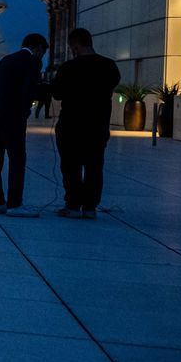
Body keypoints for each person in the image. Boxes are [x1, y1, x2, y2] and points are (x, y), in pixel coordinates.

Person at [49, 26, 122, 218]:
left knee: (71, 167)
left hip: (71, 125)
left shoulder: (68, 68)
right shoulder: (109, 66)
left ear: (74, 46)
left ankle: (72, 205)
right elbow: (112, 85)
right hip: (97, 126)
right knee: (94, 167)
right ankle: (90, 207)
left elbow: (57, 94)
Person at [0, 33, 48, 213]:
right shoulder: (32, 62)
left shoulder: (6, 60)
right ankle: (15, 203)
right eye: (43, 52)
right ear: (38, 47)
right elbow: (28, 91)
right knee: (17, 158)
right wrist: (23, 112)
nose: (42, 57)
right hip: (11, 116)